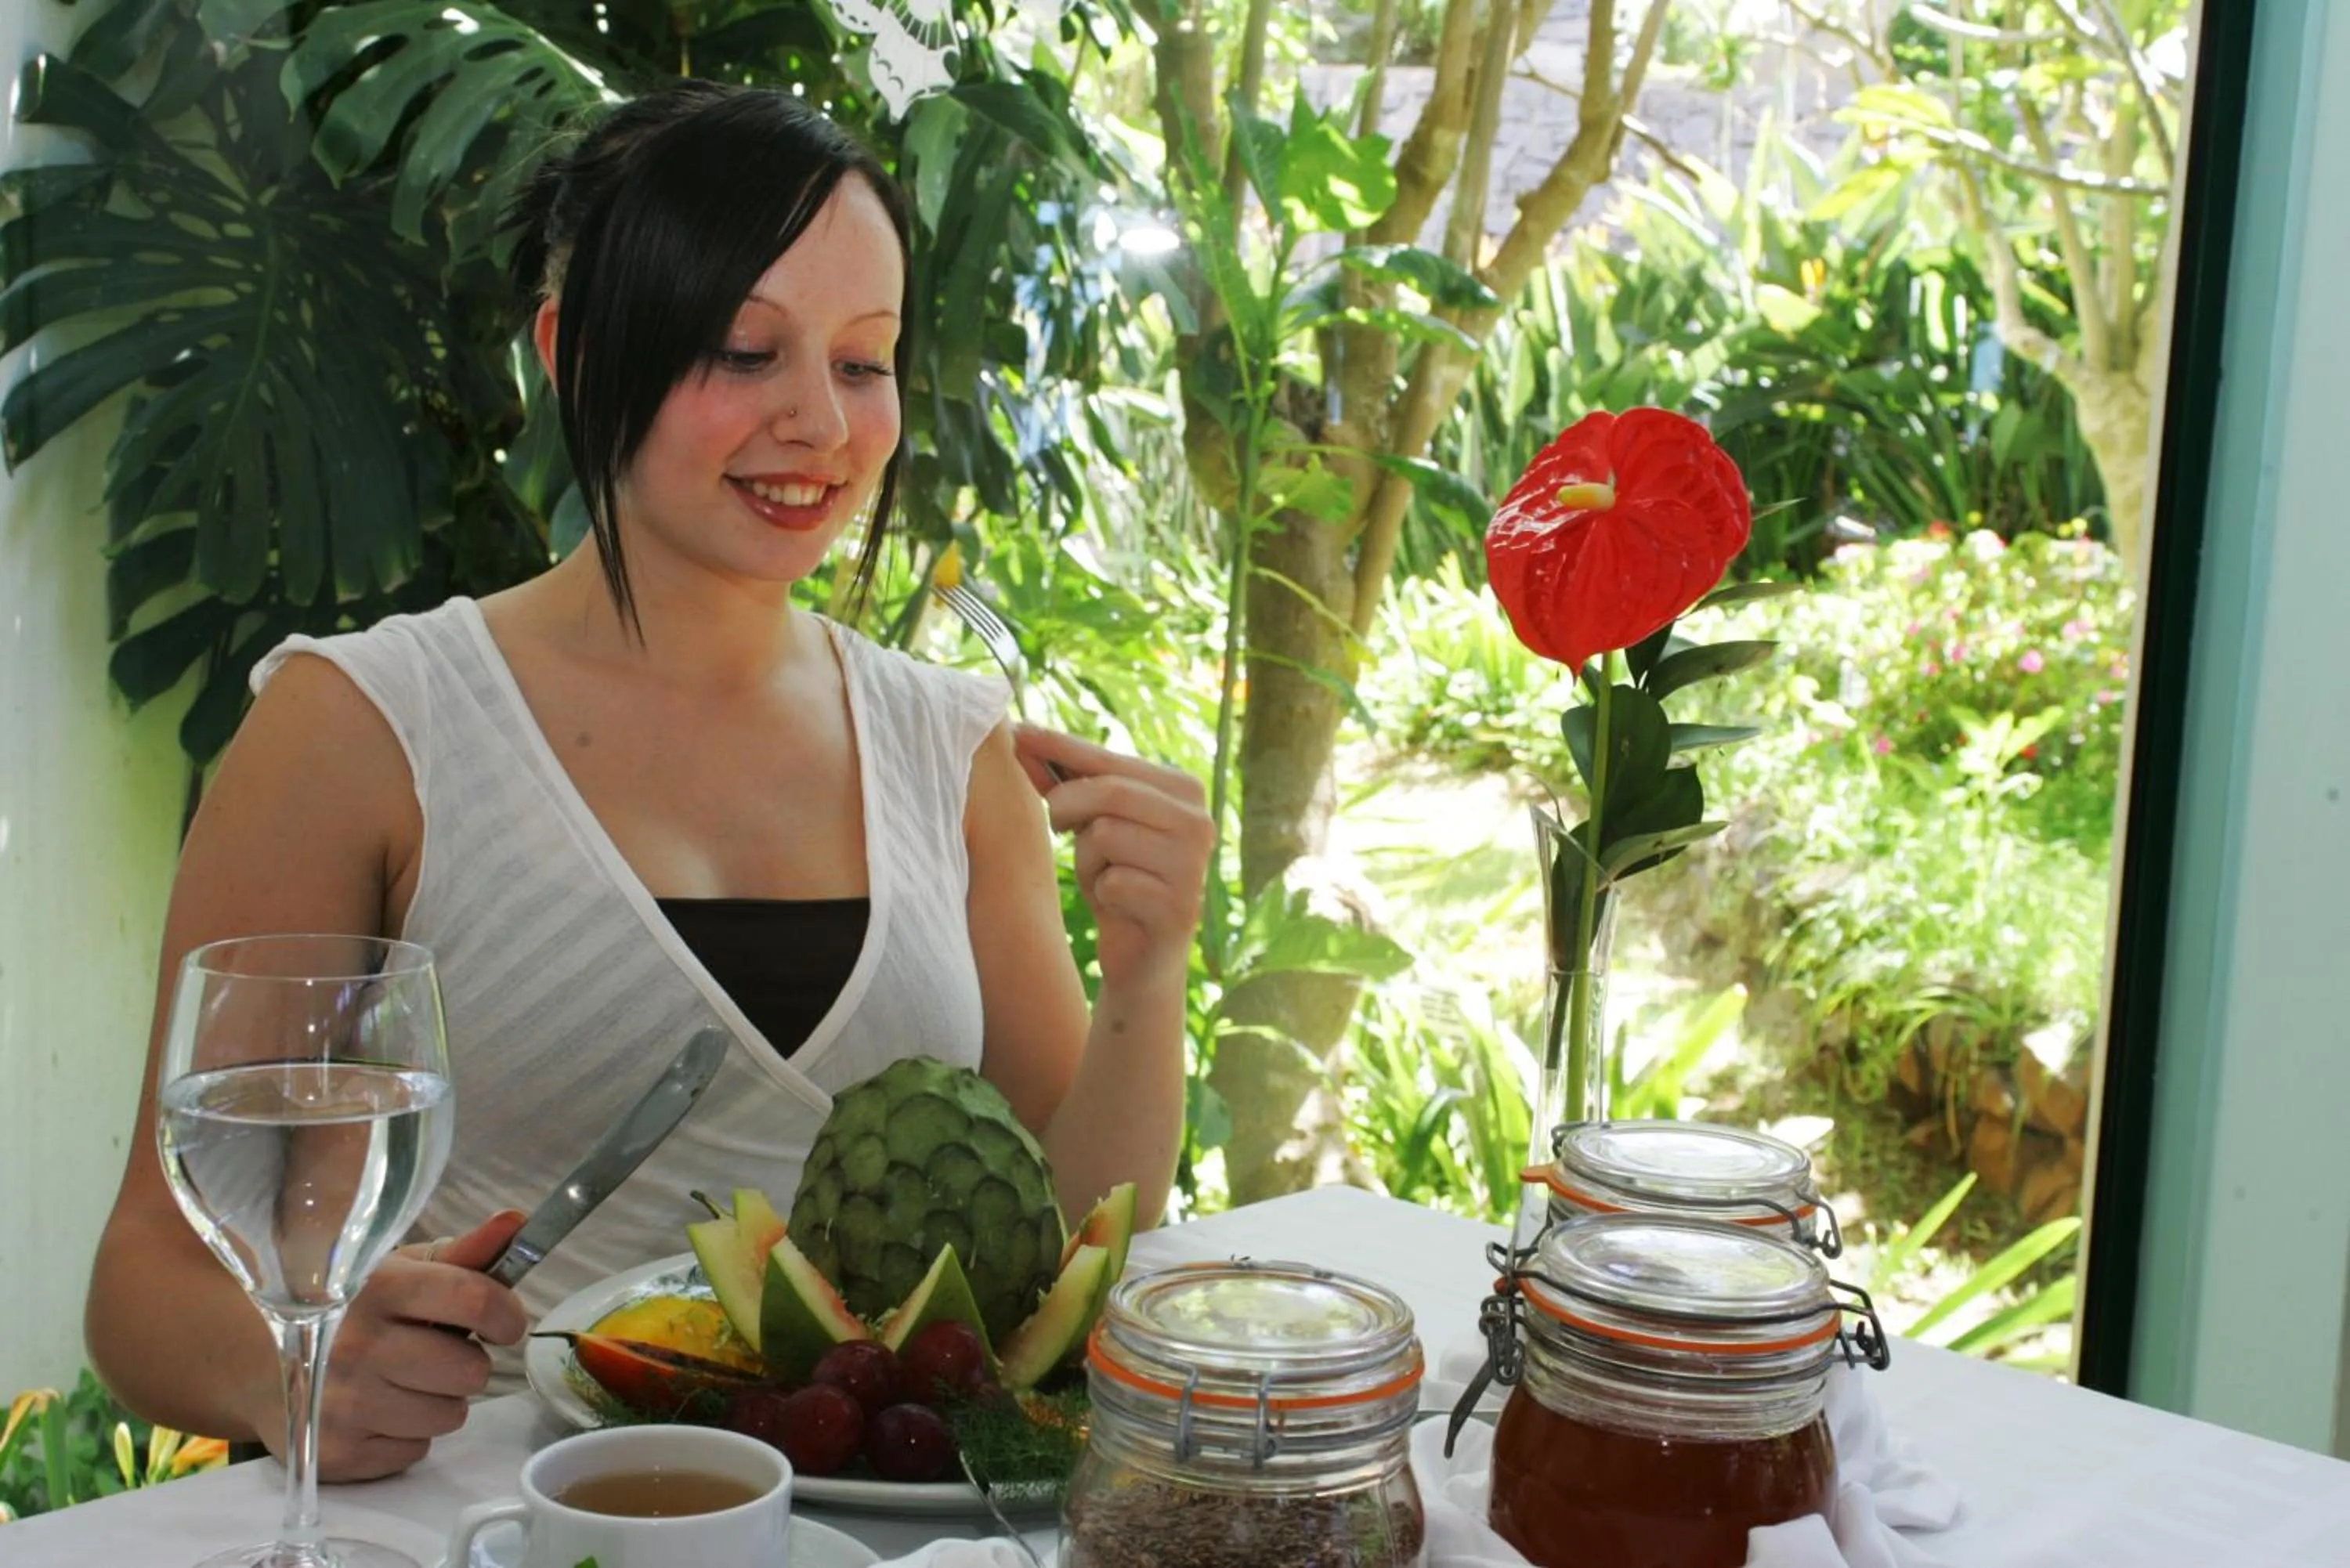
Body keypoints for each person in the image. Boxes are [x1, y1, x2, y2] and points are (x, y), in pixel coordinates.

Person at [83, 82, 1212, 1483]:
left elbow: (1062, 1259)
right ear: (574, 350)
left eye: (864, 362)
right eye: (746, 350)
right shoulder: (365, 727)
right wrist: (289, 1367)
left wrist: (1149, 970)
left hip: (878, 1528)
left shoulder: (951, 746)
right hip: (482, 1518)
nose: (821, 422)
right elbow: (147, 1279)